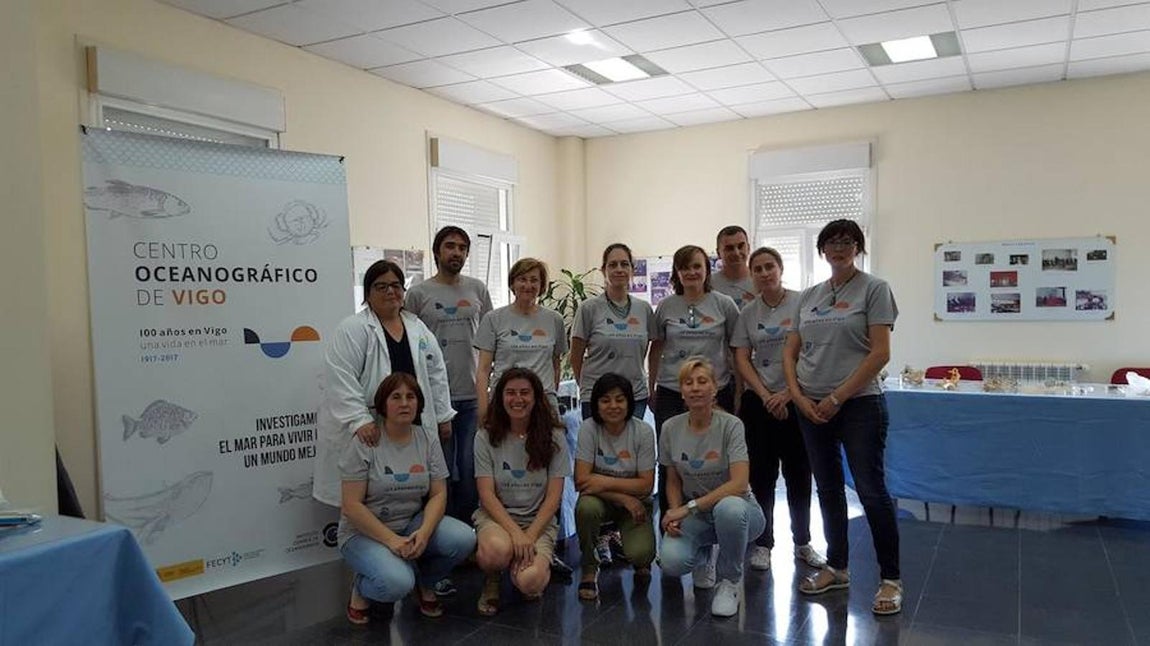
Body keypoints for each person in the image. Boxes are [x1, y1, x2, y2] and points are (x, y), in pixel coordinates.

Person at [782, 218, 903, 615]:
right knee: (829, 490)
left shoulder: (874, 289)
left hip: (859, 405)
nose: (839, 247)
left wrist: (837, 397)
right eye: (831, 241)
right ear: (822, 250)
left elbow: (880, 353)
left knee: (870, 490)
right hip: (812, 406)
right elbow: (791, 351)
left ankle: (890, 579)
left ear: (858, 246)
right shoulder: (811, 296)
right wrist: (799, 397)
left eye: (847, 241)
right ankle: (837, 567)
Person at [314, 260, 455, 508]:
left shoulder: (417, 327)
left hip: (414, 422)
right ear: (368, 293)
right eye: (380, 286)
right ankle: (373, 538)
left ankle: (414, 535)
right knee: (371, 491)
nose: (390, 291)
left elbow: (436, 373)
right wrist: (359, 420)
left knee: (413, 487)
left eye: (395, 285)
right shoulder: (353, 329)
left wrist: (443, 415)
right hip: (372, 426)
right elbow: (340, 378)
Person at [338, 373, 476, 624]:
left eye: (411, 397)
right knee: (397, 584)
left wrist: (423, 533)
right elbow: (351, 506)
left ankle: (426, 582)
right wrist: (392, 541)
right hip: (363, 533)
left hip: (410, 525)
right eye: (396, 397)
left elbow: (438, 493)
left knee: (464, 538)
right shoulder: (365, 441)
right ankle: (361, 586)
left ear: (419, 403)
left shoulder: (427, 438)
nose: (404, 403)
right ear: (382, 404)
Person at [405, 226, 494, 595]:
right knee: (440, 478)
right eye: (449, 246)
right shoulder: (419, 293)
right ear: (437, 251)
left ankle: (468, 546)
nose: (456, 252)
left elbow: (490, 341)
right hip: (432, 404)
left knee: (472, 474)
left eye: (462, 247)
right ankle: (438, 551)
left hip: (472, 398)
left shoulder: (477, 290)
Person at [731, 247, 825, 572]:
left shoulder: (803, 303)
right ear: (752, 275)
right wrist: (765, 394)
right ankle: (763, 542)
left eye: (769, 266)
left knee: (799, 475)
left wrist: (788, 393)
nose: (764, 273)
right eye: (757, 269)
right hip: (761, 404)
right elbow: (742, 357)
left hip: (798, 399)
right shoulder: (748, 312)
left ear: (780, 269)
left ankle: (803, 542)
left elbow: (812, 350)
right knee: (762, 476)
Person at [657, 358, 765, 618]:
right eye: (688, 382)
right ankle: (704, 557)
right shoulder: (670, 428)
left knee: (728, 509)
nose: (695, 388)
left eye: (702, 381)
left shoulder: (731, 426)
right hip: (698, 515)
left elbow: (739, 483)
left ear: (715, 388)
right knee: (672, 562)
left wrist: (687, 508)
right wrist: (673, 512)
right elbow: (672, 479)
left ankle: (729, 582)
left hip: (742, 512)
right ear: (681, 391)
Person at [472, 368, 571, 616]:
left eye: (525, 393)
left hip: (539, 521)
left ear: (537, 397)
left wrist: (530, 534)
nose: (518, 399)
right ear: (500, 397)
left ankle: (525, 566)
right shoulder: (485, 436)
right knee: (497, 551)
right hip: (497, 518)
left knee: (530, 582)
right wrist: (516, 534)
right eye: (511, 393)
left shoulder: (555, 437)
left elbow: (553, 498)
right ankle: (493, 578)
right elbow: (486, 494)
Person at [649, 244, 740, 512]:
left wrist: (738, 390)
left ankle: (717, 524)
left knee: (716, 460)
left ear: (707, 269)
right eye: (684, 267)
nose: (691, 272)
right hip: (671, 392)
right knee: (671, 463)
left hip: (715, 391)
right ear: (677, 272)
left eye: (696, 266)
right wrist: (651, 384)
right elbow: (656, 348)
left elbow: (736, 349)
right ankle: (671, 527)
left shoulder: (724, 304)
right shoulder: (666, 306)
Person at [573, 373, 656, 601]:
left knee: (641, 556)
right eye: (605, 400)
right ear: (596, 404)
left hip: (637, 502)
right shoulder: (589, 429)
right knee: (586, 508)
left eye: (620, 399)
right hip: (606, 501)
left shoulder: (643, 431)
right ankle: (590, 567)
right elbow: (581, 480)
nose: (613, 406)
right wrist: (624, 497)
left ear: (629, 402)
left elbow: (647, 485)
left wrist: (601, 481)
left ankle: (628, 544)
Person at [570, 243, 656, 420]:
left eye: (624, 264)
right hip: (597, 397)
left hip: (634, 395)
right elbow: (575, 356)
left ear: (632, 270)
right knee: (599, 448)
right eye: (613, 264)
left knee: (630, 447)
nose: (619, 269)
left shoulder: (644, 309)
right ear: (603, 270)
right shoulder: (589, 308)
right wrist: (588, 388)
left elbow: (644, 351)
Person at [475, 258, 567, 421]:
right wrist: (483, 410)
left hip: (543, 402)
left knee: (548, 445)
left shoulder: (554, 320)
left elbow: (556, 364)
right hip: (505, 402)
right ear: (512, 284)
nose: (528, 285)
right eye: (522, 279)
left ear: (542, 286)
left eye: (534, 280)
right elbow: (483, 370)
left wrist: (550, 395)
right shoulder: (493, 319)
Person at [710, 225, 757, 309]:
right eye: (729, 248)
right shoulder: (708, 285)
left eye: (740, 246)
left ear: (749, 248)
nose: (736, 253)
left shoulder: (762, 281)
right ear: (718, 253)